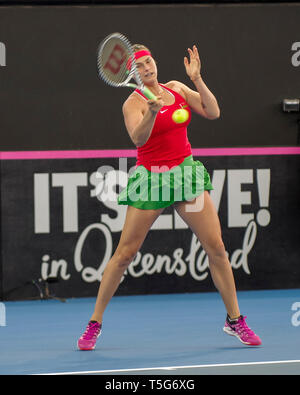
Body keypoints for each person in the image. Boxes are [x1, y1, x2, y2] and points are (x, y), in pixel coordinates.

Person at [77, 44, 262, 350]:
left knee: (216, 248)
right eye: (140, 67)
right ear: (132, 74)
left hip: (185, 175)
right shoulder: (132, 104)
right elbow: (138, 138)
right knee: (125, 254)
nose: (147, 69)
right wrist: (150, 112)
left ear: (155, 62)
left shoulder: (176, 87)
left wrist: (198, 80)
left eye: (149, 62)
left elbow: (213, 112)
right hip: (151, 179)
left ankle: (234, 320)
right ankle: (94, 324)